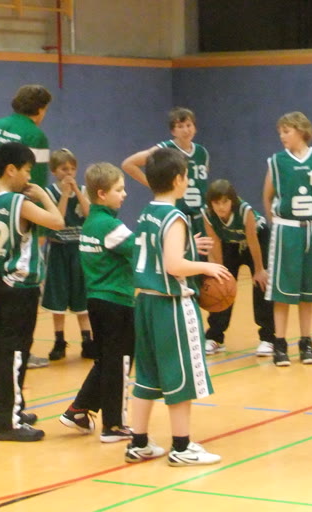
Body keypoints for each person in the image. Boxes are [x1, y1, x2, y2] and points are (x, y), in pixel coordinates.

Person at [124, 148, 232, 466]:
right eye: (185, 175)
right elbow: (173, 265)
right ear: (177, 179)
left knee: (146, 377)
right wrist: (206, 266)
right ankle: (182, 448)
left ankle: (138, 442)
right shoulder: (175, 216)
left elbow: (158, 252)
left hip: (145, 302)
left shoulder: (148, 212)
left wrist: (189, 247)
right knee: (180, 378)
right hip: (170, 306)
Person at [0, 142, 64, 441]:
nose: (29, 177)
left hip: (0, 284)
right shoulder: (18, 202)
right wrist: (43, 195)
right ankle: (8, 422)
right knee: (15, 353)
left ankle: (3, 410)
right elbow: (57, 222)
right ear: (11, 170)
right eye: (27, 171)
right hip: (20, 287)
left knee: (2, 353)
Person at [59, 163, 136, 443]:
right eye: (119, 189)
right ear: (102, 194)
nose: (124, 194)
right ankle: (113, 425)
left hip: (97, 301)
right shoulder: (109, 225)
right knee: (120, 362)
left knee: (107, 359)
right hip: (116, 302)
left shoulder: (91, 222)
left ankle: (79, 410)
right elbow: (140, 250)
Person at [0, 83, 53, 370]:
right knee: (20, 287)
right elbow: (36, 182)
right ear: (40, 109)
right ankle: (19, 352)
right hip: (18, 213)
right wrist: (40, 232)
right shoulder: (35, 134)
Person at [262, 111, 312, 367]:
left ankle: (306, 342)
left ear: (301, 130)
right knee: (282, 292)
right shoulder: (277, 161)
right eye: (280, 132)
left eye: (286, 131)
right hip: (287, 230)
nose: (282, 136)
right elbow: (267, 196)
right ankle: (280, 343)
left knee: (308, 293)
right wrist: (278, 223)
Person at [200, 179, 275, 356]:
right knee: (221, 286)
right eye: (216, 203)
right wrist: (220, 271)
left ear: (232, 201)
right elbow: (215, 241)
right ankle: (215, 336)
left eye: (225, 202)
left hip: (257, 240)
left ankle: (268, 338)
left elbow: (252, 240)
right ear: (210, 203)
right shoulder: (207, 214)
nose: (221, 207)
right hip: (229, 243)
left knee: (261, 285)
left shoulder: (245, 211)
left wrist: (259, 270)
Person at [121, 107, 209, 237]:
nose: (186, 130)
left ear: (195, 128)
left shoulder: (202, 152)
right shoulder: (165, 149)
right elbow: (128, 164)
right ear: (173, 131)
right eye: (180, 126)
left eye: (189, 125)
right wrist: (154, 185)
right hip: (177, 212)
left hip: (200, 216)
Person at [42, 148, 95, 361]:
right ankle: (59, 341)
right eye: (64, 169)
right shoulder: (49, 193)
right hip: (59, 249)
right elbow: (58, 219)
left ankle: (87, 340)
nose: (69, 173)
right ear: (54, 171)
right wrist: (64, 194)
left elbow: (89, 214)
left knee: (82, 296)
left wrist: (78, 193)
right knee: (58, 297)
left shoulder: (83, 190)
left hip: (79, 249)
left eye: (72, 168)